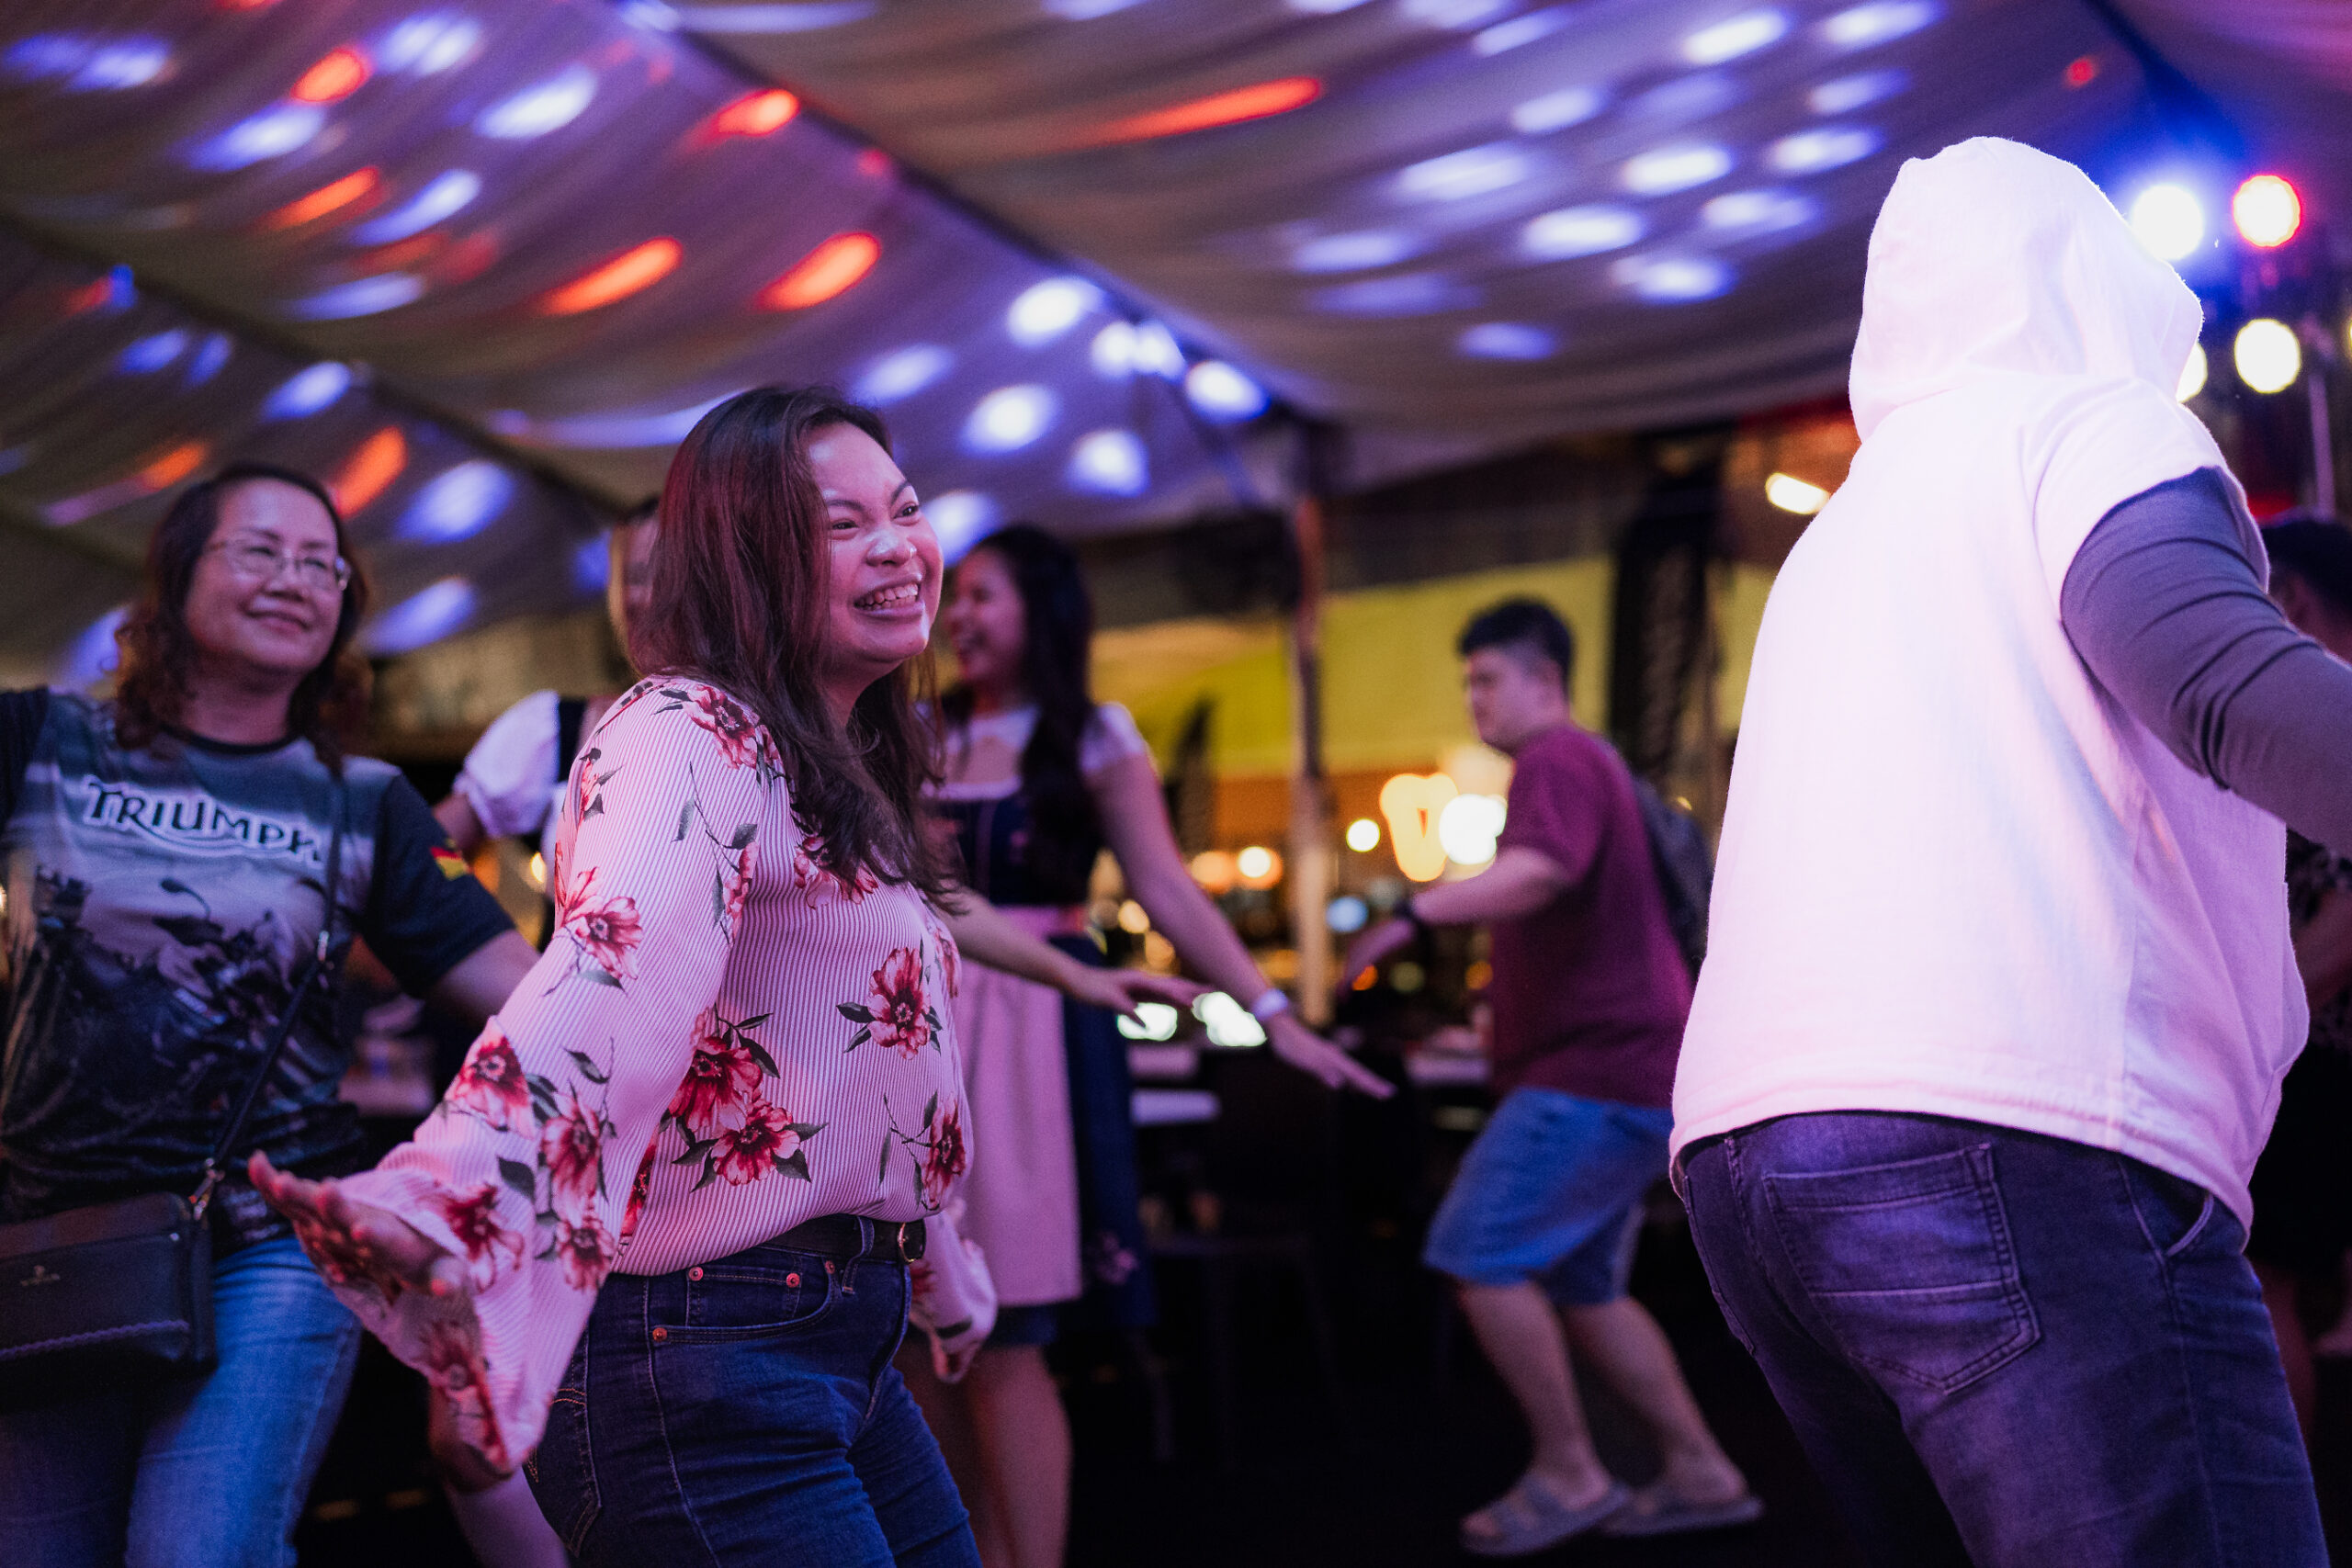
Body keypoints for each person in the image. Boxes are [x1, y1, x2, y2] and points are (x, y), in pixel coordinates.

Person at [249, 387, 1199, 1568]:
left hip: (836, 1338)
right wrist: (445, 1194)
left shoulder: (836, 763)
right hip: (700, 1355)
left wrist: (937, 1264)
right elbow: (614, 970)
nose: (897, 546)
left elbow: (875, 1059)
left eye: (904, 511)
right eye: (840, 525)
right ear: (745, 561)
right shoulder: (689, 728)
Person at [1672, 138, 2352, 1567]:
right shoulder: (2085, 423)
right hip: (2012, 1133)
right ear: (2099, 284)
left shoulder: (1842, 535)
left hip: (1751, 1165)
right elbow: (2220, 679)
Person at [0, 463, 536, 1568]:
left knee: (197, 1554)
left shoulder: (365, 804)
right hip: (46, 1245)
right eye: (259, 550)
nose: (295, 578)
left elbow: (545, 1009)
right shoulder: (41, 742)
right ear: (174, 574)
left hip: (266, 1241)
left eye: (322, 564)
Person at [911, 525, 1391, 1568]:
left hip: (1035, 1029)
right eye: (958, 598)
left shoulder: (1092, 734)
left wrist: (1272, 1013)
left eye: (983, 595)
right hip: (919, 1021)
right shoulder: (915, 726)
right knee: (917, 1335)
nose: (959, 617)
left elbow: (1167, 886)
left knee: (1007, 1329)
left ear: (1042, 609)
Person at [1339, 598, 1753, 1555]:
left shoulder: (1557, 758)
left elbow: (1541, 872)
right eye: (1470, 683)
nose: (1475, 699)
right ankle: (1701, 1469)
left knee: (1475, 1254)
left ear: (1544, 680)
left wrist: (1414, 913)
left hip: (1594, 1073)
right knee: (1583, 1287)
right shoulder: (1589, 762)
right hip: (1630, 1069)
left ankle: (1571, 1470)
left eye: (1487, 679)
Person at [2246, 515, 2352, 1441]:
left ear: (2296, 600)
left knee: (2261, 1284)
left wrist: (2252, 1033)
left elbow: (2343, 930)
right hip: (2315, 1049)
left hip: (2317, 1057)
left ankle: (2287, 1508)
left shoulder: (2329, 717)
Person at [436, 498, 658, 873]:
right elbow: (433, 846)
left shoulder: (748, 736)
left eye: (669, 575)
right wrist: (470, 906)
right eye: (634, 577)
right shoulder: (558, 728)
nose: (647, 596)